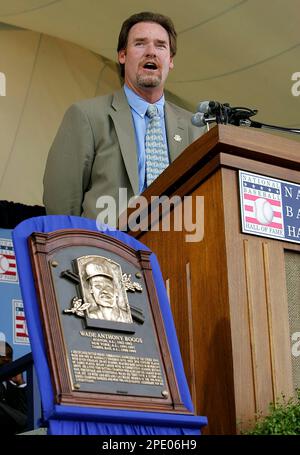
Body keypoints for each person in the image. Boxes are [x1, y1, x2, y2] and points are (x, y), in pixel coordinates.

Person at [43, 11, 204, 222]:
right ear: (122, 55)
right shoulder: (87, 116)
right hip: (107, 250)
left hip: (177, 246)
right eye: (140, 44)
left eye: (160, 45)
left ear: (170, 60)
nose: (151, 52)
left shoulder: (195, 127)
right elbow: (61, 203)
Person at [0, 342, 27, 435]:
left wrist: (20, 383)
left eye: (9, 356)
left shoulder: (14, 387)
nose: (6, 359)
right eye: (2, 356)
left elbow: (26, 415)